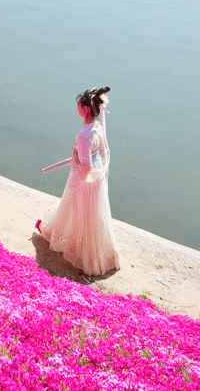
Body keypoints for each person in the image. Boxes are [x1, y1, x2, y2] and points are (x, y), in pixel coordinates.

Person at [37, 87, 121, 276]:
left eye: (79, 104)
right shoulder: (97, 129)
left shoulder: (84, 136)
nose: (76, 107)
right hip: (96, 181)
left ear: (85, 109)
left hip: (86, 181)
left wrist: (75, 173)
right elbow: (103, 154)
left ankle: (82, 254)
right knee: (93, 215)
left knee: (78, 211)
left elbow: (86, 167)